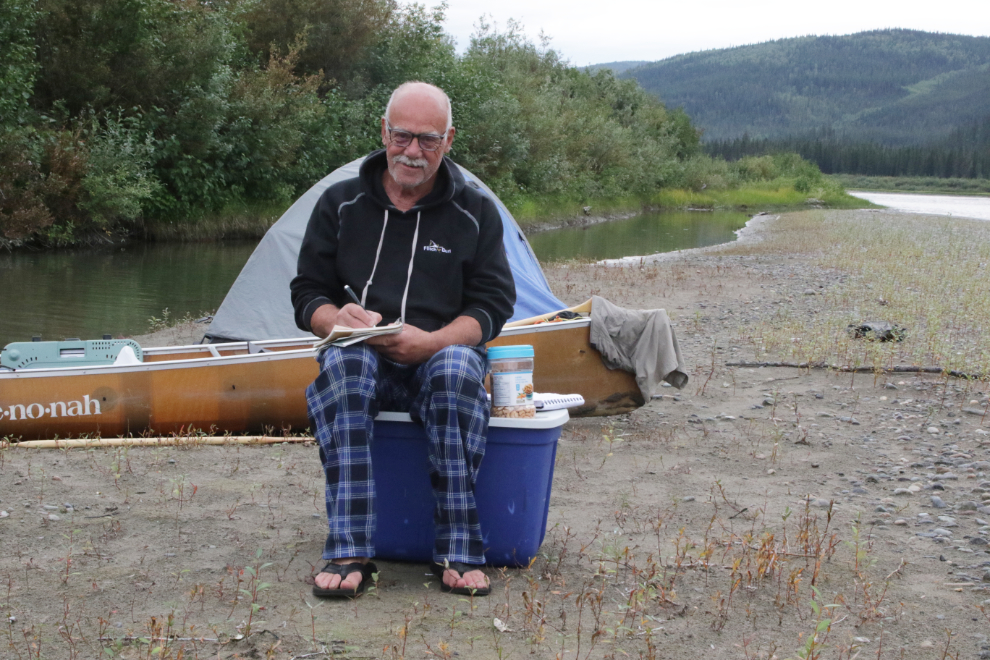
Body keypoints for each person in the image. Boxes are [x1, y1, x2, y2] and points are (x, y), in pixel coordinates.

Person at [290, 81, 516, 598]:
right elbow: (307, 293)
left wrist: (431, 342)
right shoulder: (339, 202)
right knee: (344, 367)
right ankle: (349, 548)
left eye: (428, 140)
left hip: (438, 358)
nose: (413, 152)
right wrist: (335, 322)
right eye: (402, 136)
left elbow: (492, 306)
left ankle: (458, 545)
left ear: (449, 140)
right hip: (362, 355)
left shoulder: (475, 213)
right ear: (384, 132)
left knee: (458, 370)